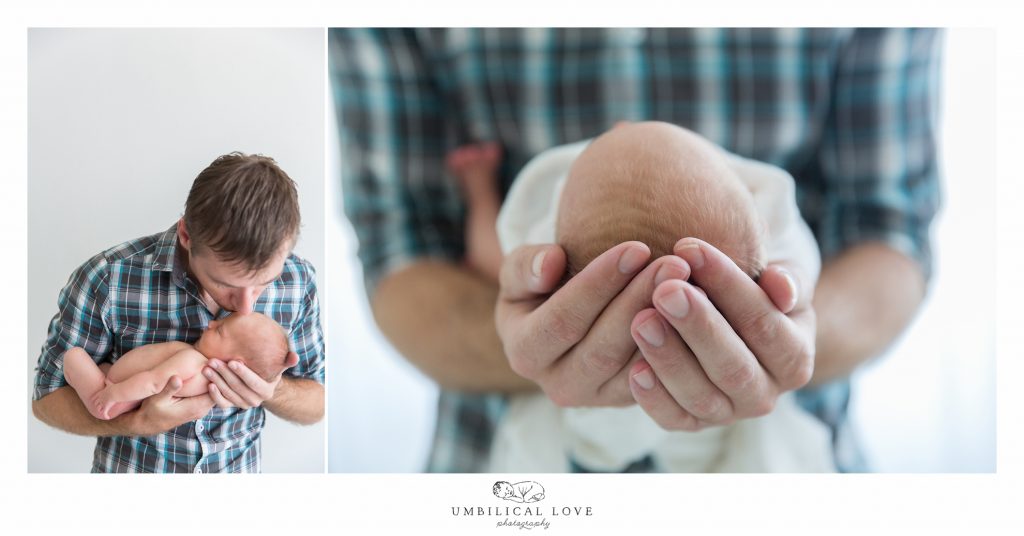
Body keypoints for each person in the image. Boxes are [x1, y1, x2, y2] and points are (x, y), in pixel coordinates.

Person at [330, 28, 941, 472]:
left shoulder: (531, 229)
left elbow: (888, 230)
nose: (619, 124)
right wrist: (774, 309)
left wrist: (783, 344)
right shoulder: (772, 218)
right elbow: (398, 246)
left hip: (545, 458)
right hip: (493, 433)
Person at [451, 121, 834, 472]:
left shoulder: (541, 245)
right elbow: (798, 270)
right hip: (725, 428)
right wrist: (789, 290)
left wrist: (482, 197)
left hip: (591, 427)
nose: (624, 122)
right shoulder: (772, 235)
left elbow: (491, 258)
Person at [32, 152, 325, 473]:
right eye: (224, 283)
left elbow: (318, 402)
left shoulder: (298, 280)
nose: (245, 307)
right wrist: (136, 422)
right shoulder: (108, 278)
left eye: (264, 284)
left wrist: (273, 390)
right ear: (186, 236)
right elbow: (47, 398)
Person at [65, 313, 294, 421]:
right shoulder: (203, 370)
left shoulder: (193, 362)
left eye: (220, 330)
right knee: (98, 367)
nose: (212, 323)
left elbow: (153, 383)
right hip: (119, 388)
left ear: (236, 363)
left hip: (112, 401)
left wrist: (112, 394)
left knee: (73, 356)